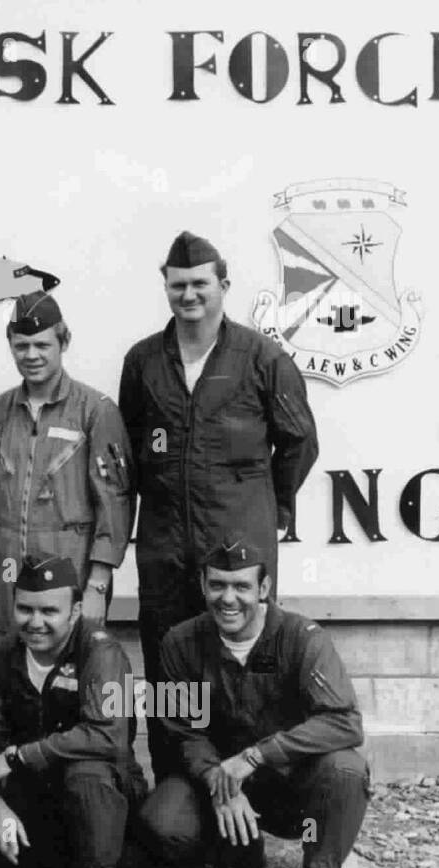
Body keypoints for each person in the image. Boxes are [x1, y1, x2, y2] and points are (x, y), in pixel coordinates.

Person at [118, 231, 319, 780]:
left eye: (200, 284)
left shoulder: (261, 357)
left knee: (246, 664)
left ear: (223, 285)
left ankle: (250, 790)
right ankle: (176, 792)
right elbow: (133, 448)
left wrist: (269, 506)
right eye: (178, 284)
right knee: (169, 670)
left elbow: (299, 439)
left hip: (237, 540)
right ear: (166, 286)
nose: (189, 295)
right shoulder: (143, 362)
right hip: (164, 547)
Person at [136, 537, 368, 868]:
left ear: (263, 588)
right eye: (217, 585)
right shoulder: (180, 642)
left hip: (291, 792)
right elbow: (184, 731)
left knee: (345, 771)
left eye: (241, 586)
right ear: (202, 584)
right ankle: (240, 856)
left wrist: (258, 755)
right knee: (165, 824)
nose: (228, 599)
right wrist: (220, 783)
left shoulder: (301, 636)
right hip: (218, 786)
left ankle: (321, 867)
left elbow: (344, 722)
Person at [0, 553, 146, 868]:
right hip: (26, 791)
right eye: (25, 609)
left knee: (88, 773)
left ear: (76, 612)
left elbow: (107, 737)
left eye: (49, 611)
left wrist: (19, 756)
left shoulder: (103, 653)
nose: (35, 621)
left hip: (96, 791)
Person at [0, 291, 132, 643]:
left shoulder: (95, 411)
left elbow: (114, 505)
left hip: (70, 568)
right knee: (3, 676)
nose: (31, 355)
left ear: (63, 341)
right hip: (4, 571)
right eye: (21, 346)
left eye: (42, 345)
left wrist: (98, 588)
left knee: (68, 681)